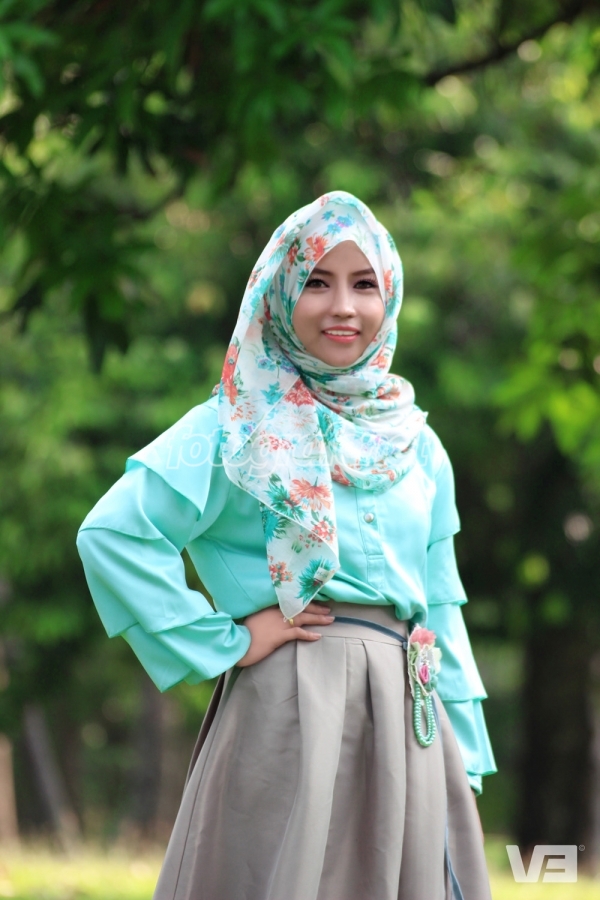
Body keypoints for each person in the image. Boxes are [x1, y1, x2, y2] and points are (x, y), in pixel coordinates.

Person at [77, 191, 496, 900]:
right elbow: (113, 534)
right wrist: (229, 640)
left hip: (409, 723)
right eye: (317, 282)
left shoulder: (417, 443)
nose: (344, 307)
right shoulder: (238, 424)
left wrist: (462, 760)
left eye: (364, 285)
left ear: (390, 296)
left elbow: (441, 607)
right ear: (279, 292)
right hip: (290, 709)